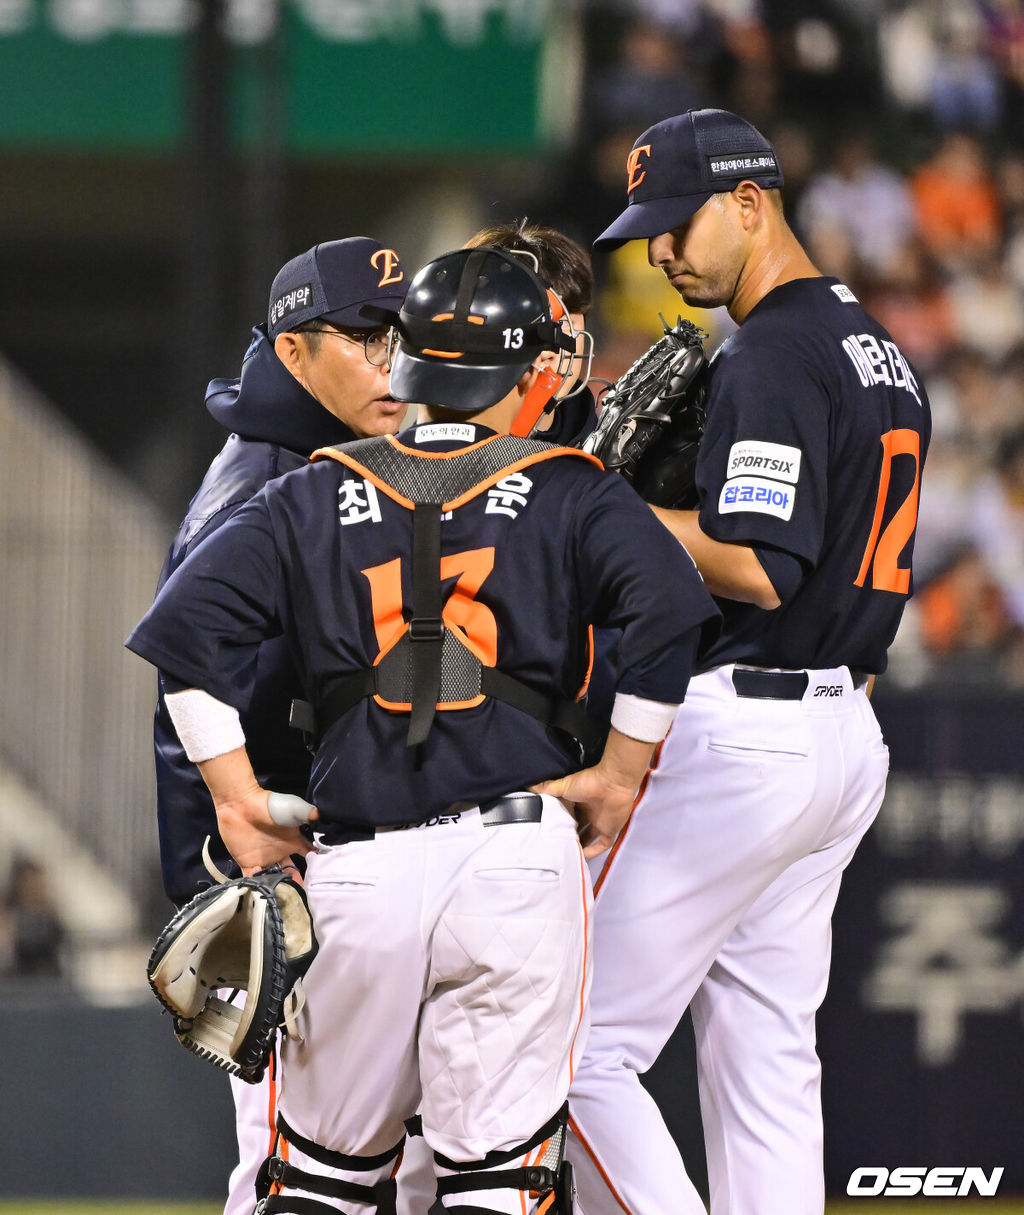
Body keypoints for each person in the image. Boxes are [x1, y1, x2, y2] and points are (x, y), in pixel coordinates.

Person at [127, 244, 720, 1215]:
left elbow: (181, 641)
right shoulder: (570, 484)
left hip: (355, 865)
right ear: (531, 373)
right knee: (496, 1181)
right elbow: (671, 617)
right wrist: (618, 776)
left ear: (406, 364)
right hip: (514, 857)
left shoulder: (309, 488)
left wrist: (232, 801)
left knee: (320, 1181)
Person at [550, 108, 932, 1215]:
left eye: (677, 224)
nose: (660, 253)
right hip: (840, 727)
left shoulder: (771, 349)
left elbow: (758, 567)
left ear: (750, 204)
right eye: (647, 232)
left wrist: (602, 504)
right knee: (766, 1058)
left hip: (745, 734)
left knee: (570, 1047)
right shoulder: (875, 346)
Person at [150, 235, 408, 1215]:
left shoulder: (322, 457)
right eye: (364, 338)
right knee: (283, 1166)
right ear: (296, 351)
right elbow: (188, 669)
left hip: (322, 851)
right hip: (272, 864)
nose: (391, 360)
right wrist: (220, 852)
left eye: (399, 336)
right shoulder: (260, 475)